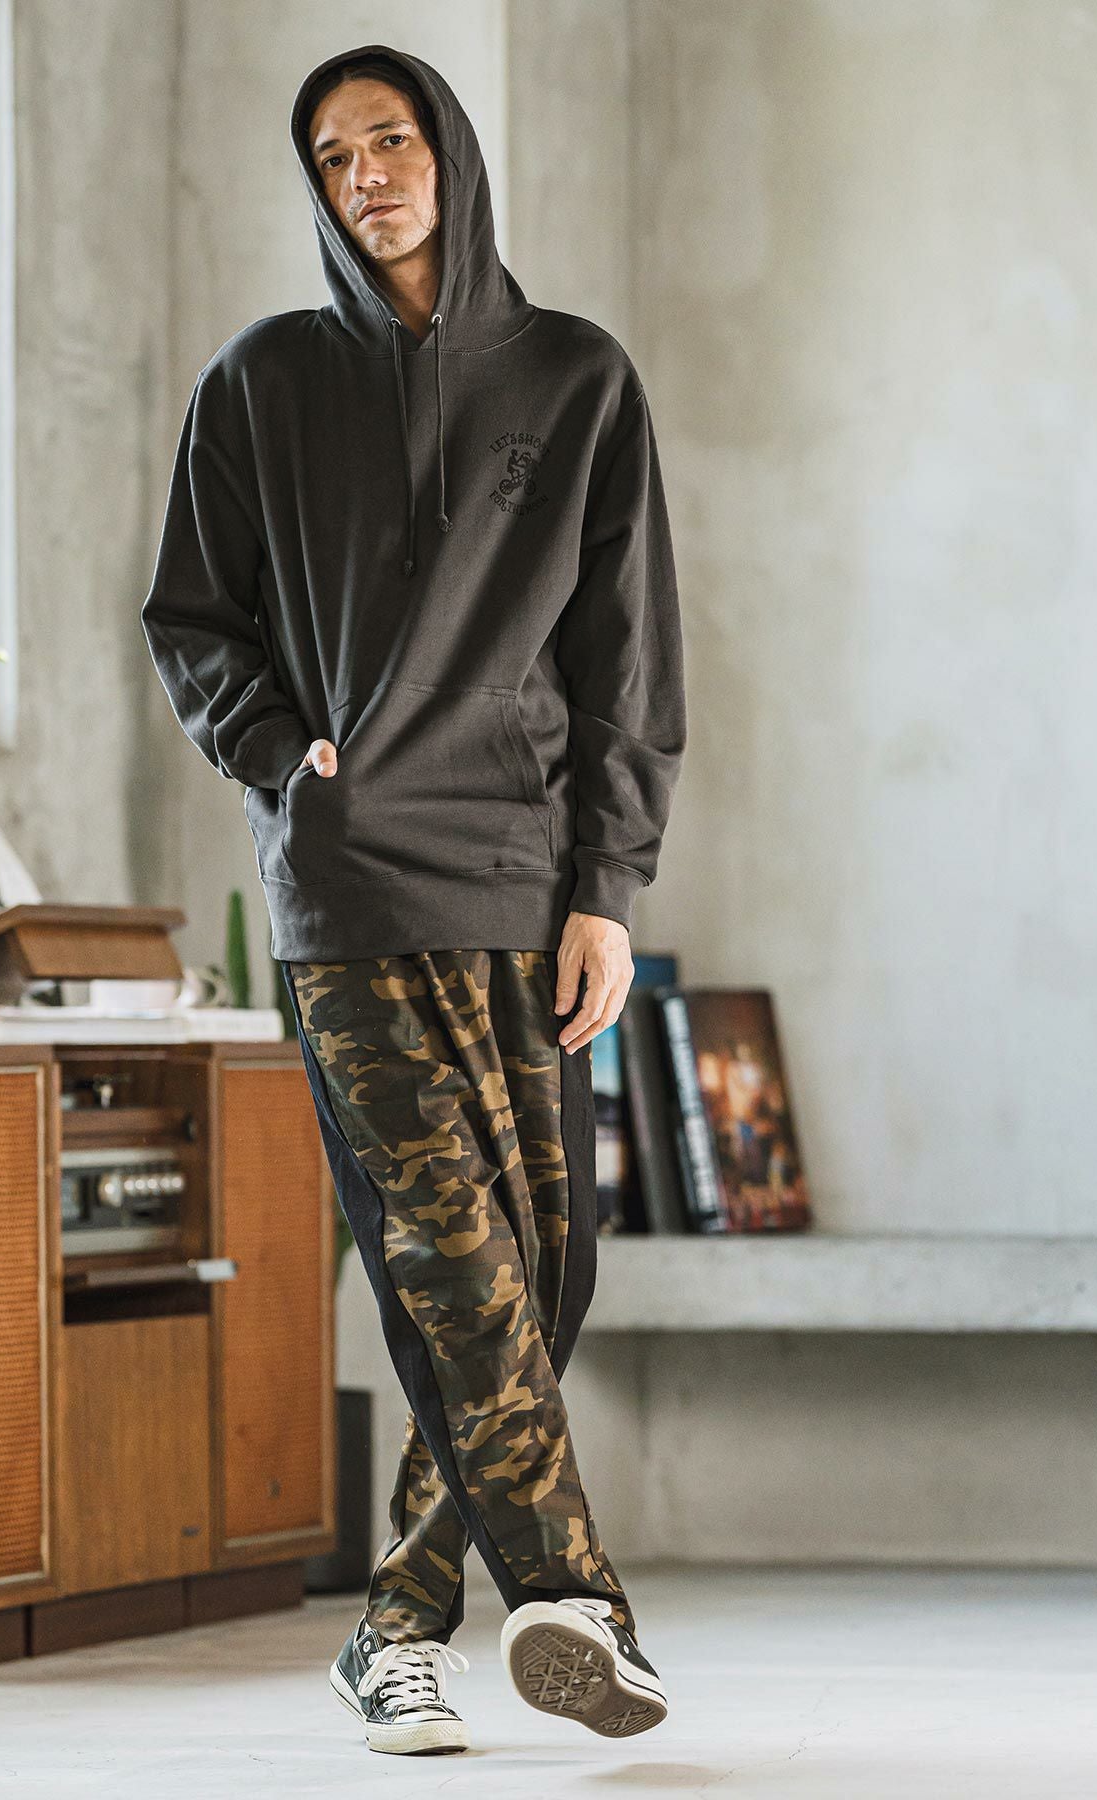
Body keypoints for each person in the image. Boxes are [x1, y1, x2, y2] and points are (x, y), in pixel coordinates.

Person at [140, 41, 686, 1757]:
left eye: (390, 140)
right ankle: (574, 1597)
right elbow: (191, 616)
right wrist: (279, 751)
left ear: (448, 152)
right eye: (333, 153)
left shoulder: (578, 378)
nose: (365, 174)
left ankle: (393, 1626)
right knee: (450, 1259)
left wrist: (607, 884)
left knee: (545, 1271)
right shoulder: (260, 382)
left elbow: (627, 657)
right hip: (348, 877)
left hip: (526, 877)